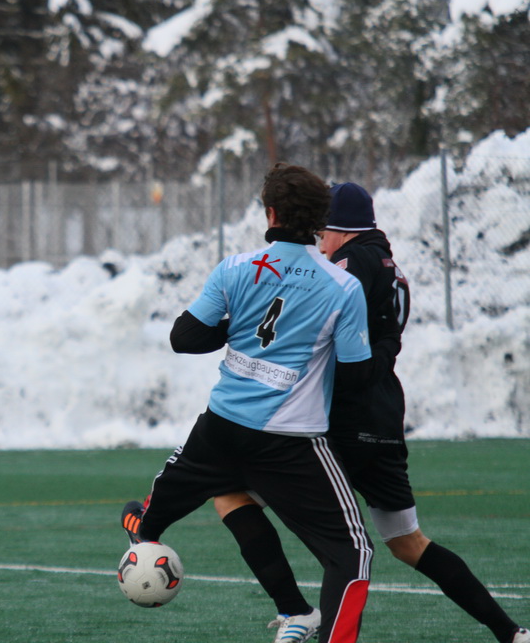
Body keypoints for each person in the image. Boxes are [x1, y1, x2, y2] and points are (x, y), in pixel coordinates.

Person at [206, 183, 530, 643]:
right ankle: (510, 632)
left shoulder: (347, 265)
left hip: (340, 420)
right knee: (408, 542)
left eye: (322, 233)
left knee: (234, 497)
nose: (319, 243)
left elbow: (315, 321)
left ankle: (295, 611)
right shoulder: (391, 267)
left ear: (339, 230)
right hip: (383, 417)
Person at [120, 164, 388, 643]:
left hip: (218, 434)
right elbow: (357, 377)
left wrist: (238, 327)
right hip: (290, 442)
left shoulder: (235, 268)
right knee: (353, 556)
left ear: (270, 213)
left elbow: (184, 338)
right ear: (320, 220)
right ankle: (311, 622)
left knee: (168, 515)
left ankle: (293, 610)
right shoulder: (342, 286)